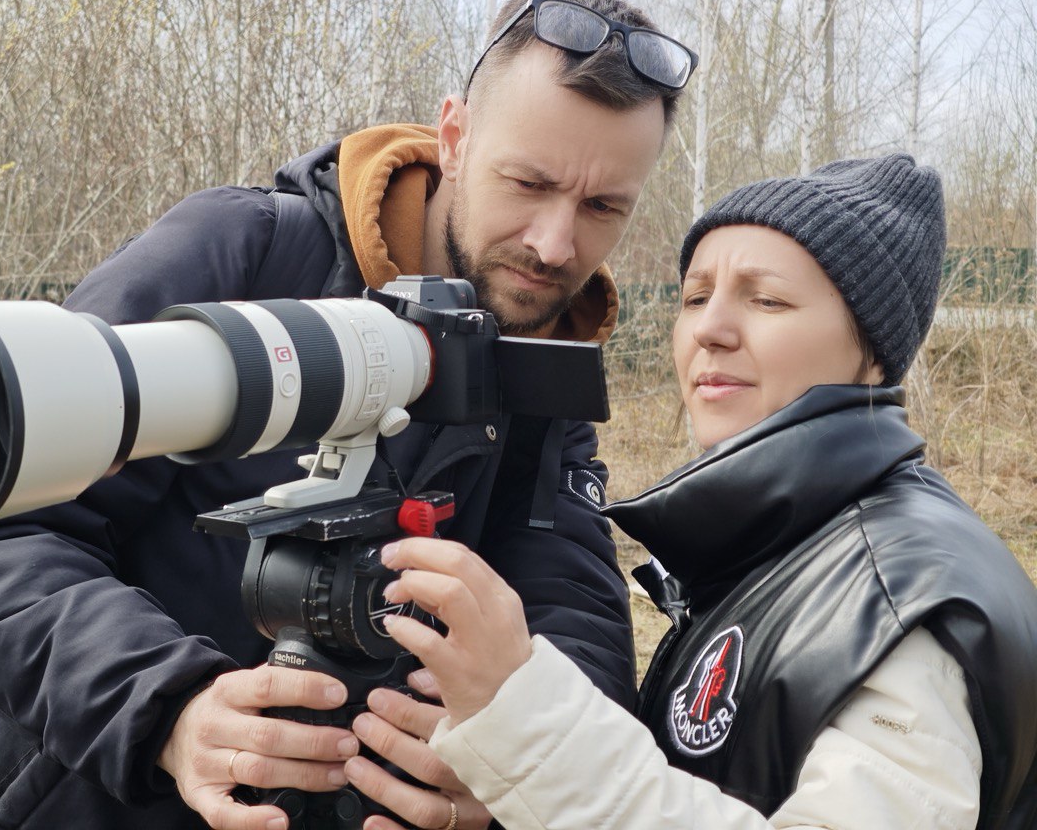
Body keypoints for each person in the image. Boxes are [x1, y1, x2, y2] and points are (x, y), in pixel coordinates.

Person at [0, 0, 698, 830]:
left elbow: (571, 608)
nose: (555, 243)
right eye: (529, 182)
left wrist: (523, 769)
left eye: (603, 206)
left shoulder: (541, 355)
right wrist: (170, 712)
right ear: (455, 137)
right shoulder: (246, 253)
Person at [378, 154, 1037, 829]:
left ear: (872, 353)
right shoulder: (782, 546)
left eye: (767, 300)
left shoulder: (902, 604)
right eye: (695, 298)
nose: (708, 330)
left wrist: (522, 722)